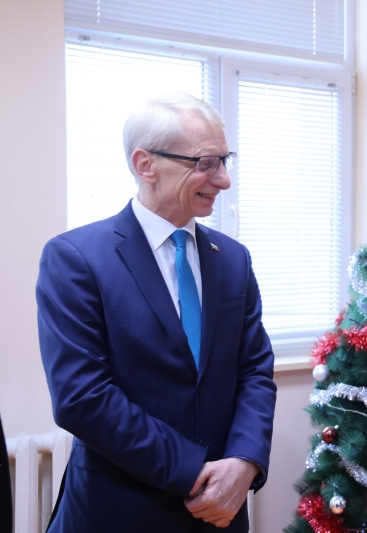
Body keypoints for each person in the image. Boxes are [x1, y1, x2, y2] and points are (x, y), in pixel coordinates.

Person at [36, 93, 277, 532]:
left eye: (225, 161)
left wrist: (244, 462)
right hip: (119, 511)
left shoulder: (233, 259)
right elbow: (82, 398)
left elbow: (255, 370)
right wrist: (194, 471)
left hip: (220, 512)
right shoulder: (76, 258)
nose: (224, 180)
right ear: (145, 164)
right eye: (206, 163)